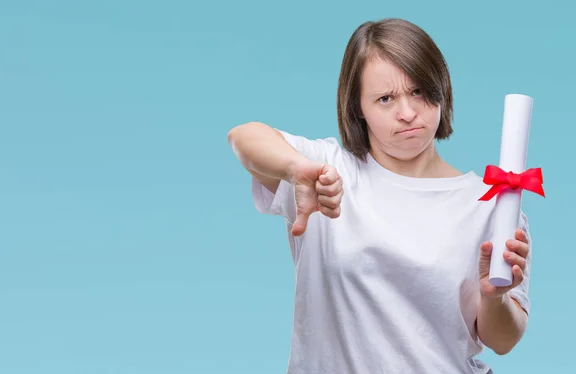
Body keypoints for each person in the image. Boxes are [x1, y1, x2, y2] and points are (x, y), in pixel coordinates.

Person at [227, 18, 532, 374]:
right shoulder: (326, 172)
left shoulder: (492, 203)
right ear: (358, 107)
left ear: (441, 87)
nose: (407, 113)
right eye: (385, 99)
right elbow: (244, 137)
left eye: (418, 91)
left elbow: (503, 340)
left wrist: (493, 296)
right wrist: (295, 169)